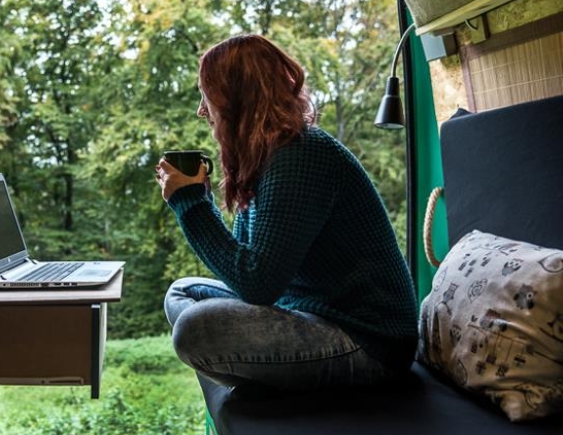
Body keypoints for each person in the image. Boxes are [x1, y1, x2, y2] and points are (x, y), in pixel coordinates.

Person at [155, 34, 418, 392]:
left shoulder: (300, 155)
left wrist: (190, 204)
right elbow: (249, 268)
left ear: (235, 97)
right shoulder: (267, 157)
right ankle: (267, 374)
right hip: (305, 309)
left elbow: (256, 283)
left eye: (207, 95)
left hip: (368, 343)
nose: (202, 110)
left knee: (193, 329)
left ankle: (264, 380)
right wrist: (199, 198)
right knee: (182, 293)